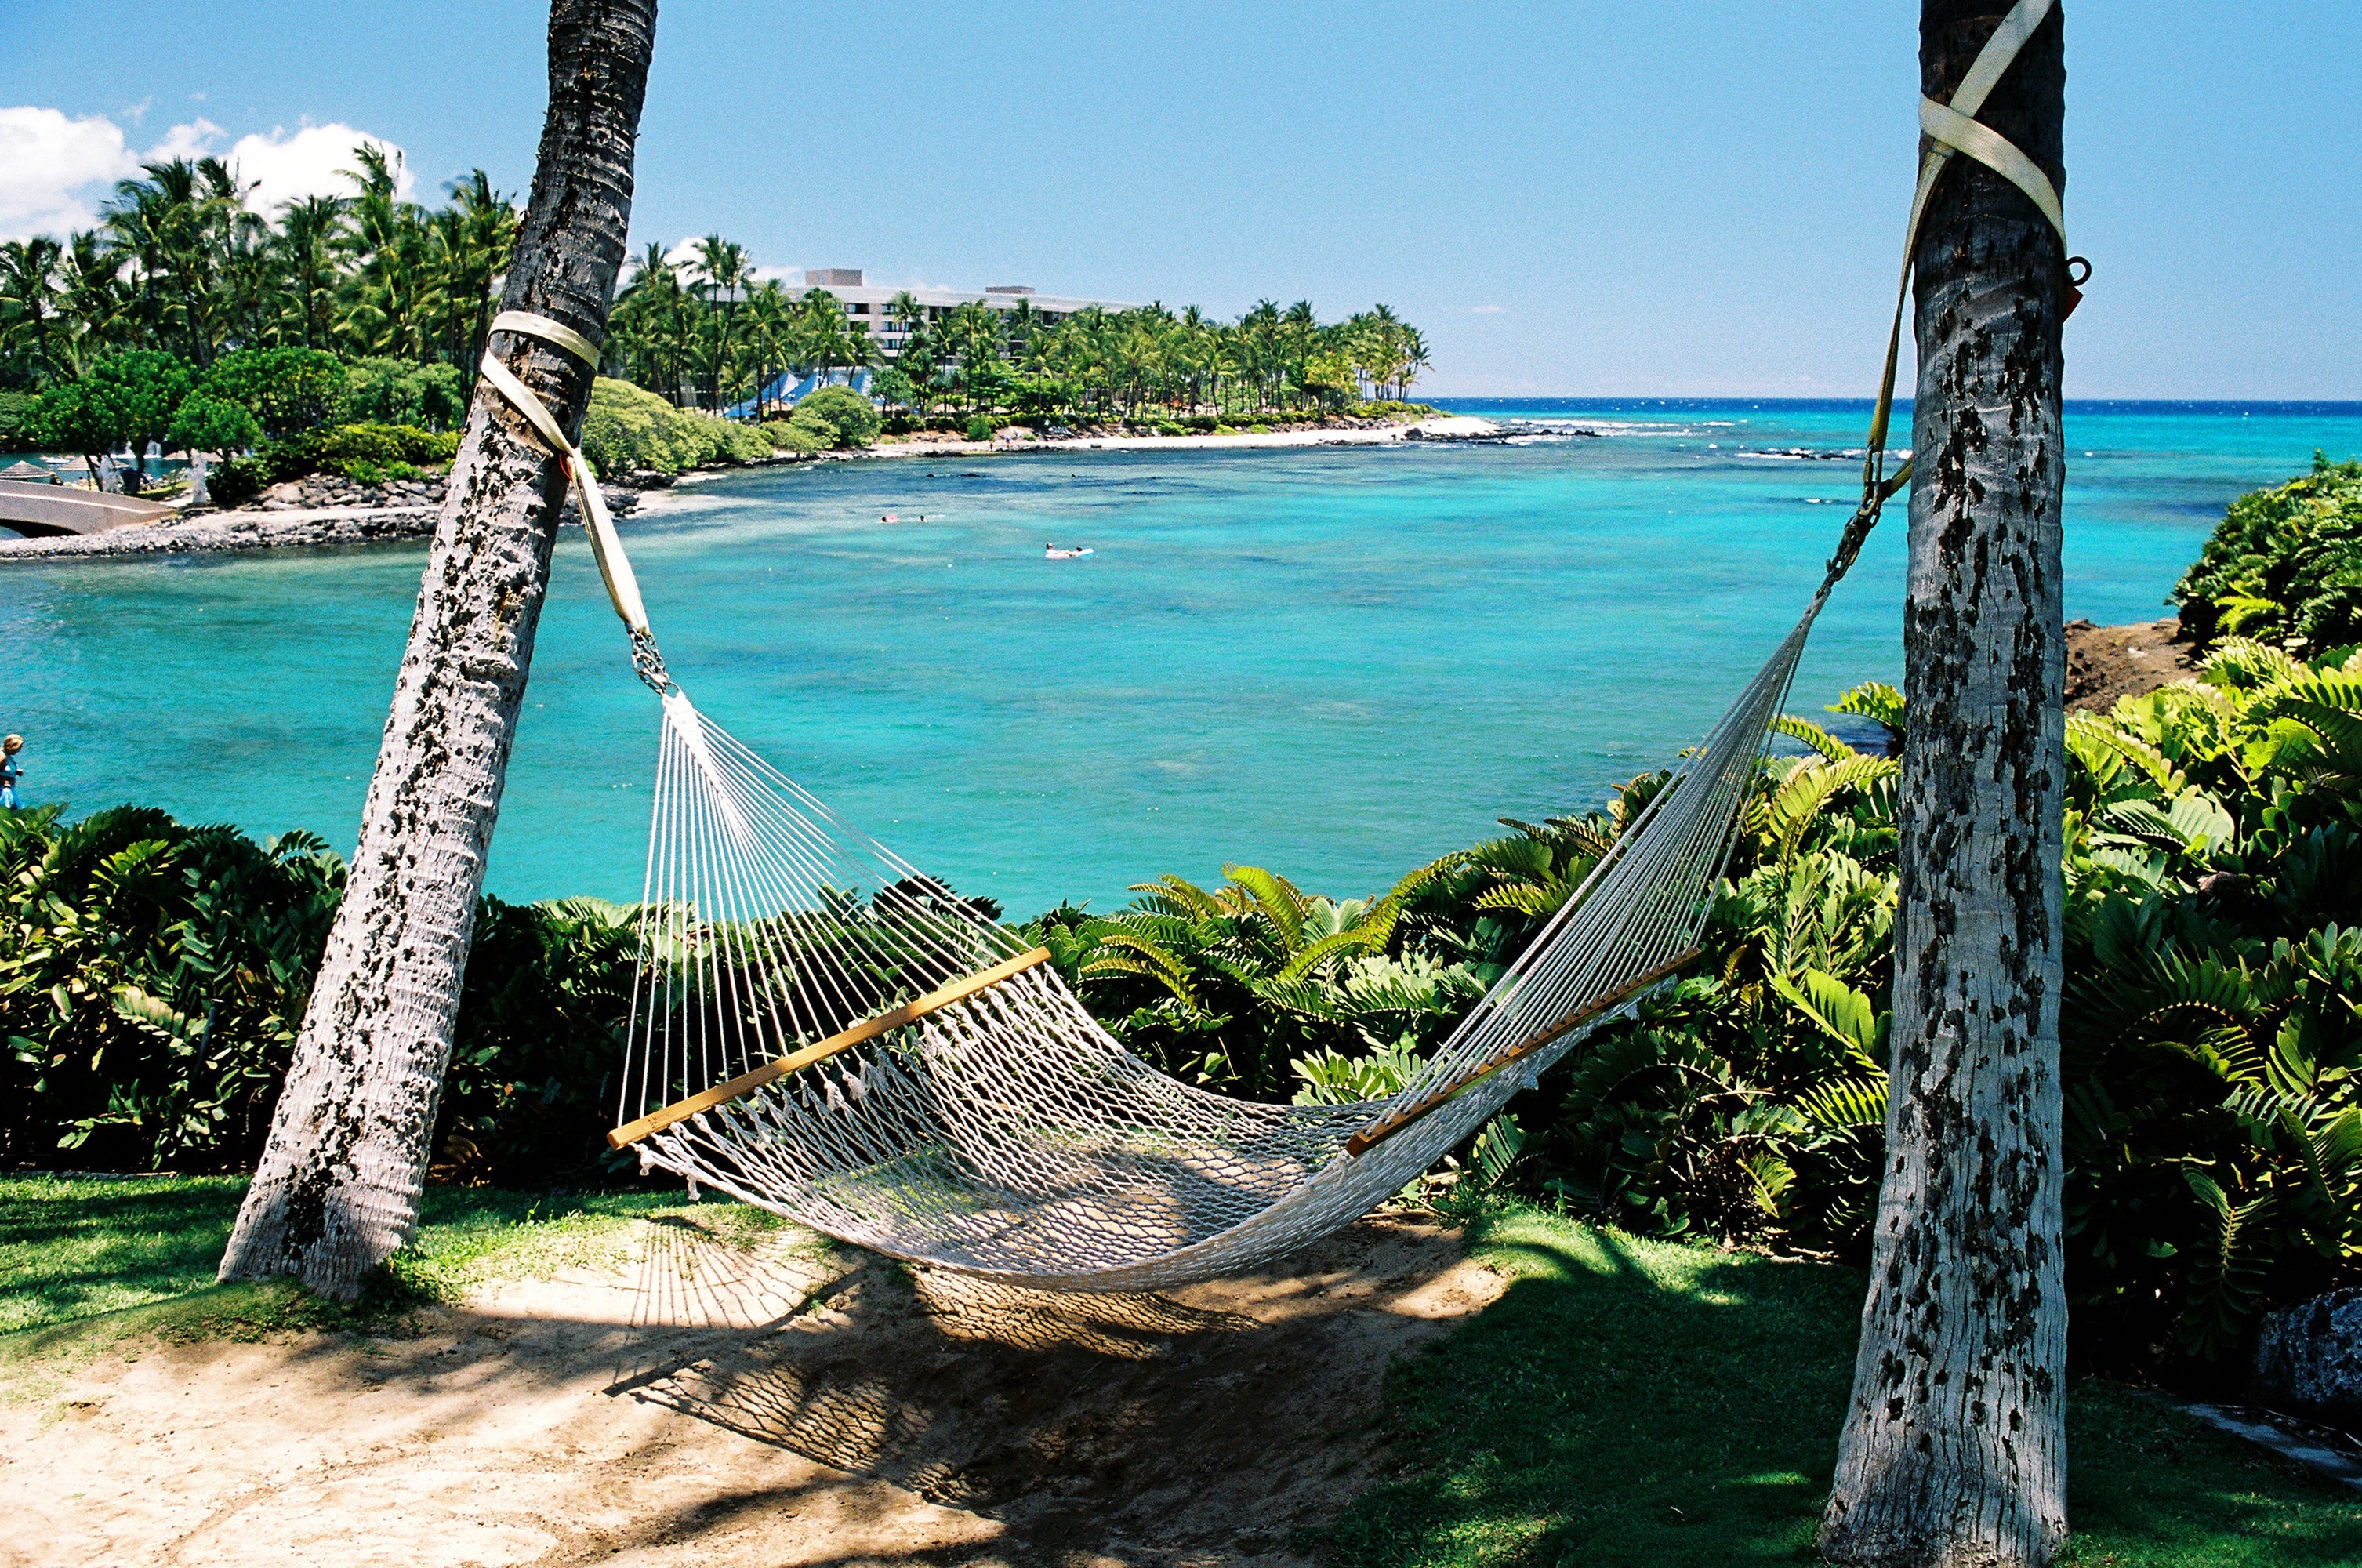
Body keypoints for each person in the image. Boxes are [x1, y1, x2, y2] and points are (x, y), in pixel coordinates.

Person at [0, 735, 22, 810]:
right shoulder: (2, 757)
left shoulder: (8, 756)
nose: (19, 750)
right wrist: (4, 781)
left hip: (10, 788)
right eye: (18, 748)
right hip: (4, 790)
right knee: (8, 811)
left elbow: (4, 771)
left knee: (18, 809)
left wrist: (16, 772)